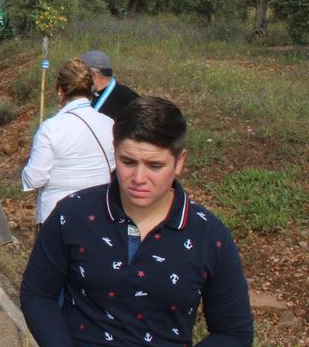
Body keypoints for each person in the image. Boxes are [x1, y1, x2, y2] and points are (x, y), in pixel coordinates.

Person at [20, 97, 254, 345]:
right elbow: (37, 293)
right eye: (128, 162)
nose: (139, 178)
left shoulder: (209, 235)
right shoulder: (72, 214)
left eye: (155, 165)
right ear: (115, 152)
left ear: (179, 162)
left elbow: (234, 332)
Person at [21, 57, 115, 225]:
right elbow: (113, 165)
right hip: (99, 217)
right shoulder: (109, 124)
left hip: (57, 218)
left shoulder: (51, 128)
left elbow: (35, 178)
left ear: (60, 91)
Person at [80, 49, 140, 122]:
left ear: (93, 75)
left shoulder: (130, 101)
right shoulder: (84, 95)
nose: (77, 79)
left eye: (81, 74)